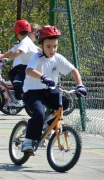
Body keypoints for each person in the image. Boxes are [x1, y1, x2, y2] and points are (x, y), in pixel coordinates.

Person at [21, 25, 87, 153]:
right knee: (39, 114)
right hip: (32, 92)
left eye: (55, 46)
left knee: (65, 104)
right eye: (49, 47)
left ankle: (47, 126)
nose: (52, 50)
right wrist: (43, 77)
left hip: (49, 91)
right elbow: (29, 70)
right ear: (41, 46)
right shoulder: (37, 57)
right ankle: (28, 141)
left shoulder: (58, 58)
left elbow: (74, 70)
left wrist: (80, 85)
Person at [0, 20, 39, 107]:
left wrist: (8, 60)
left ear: (16, 32)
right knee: (12, 73)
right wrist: (1, 56)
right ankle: (22, 91)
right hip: (25, 66)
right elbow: (12, 50)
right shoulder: (24, 41)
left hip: (30, 67)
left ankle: (19, 99)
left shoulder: (25, 42)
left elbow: (18, 51)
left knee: (17, 80)